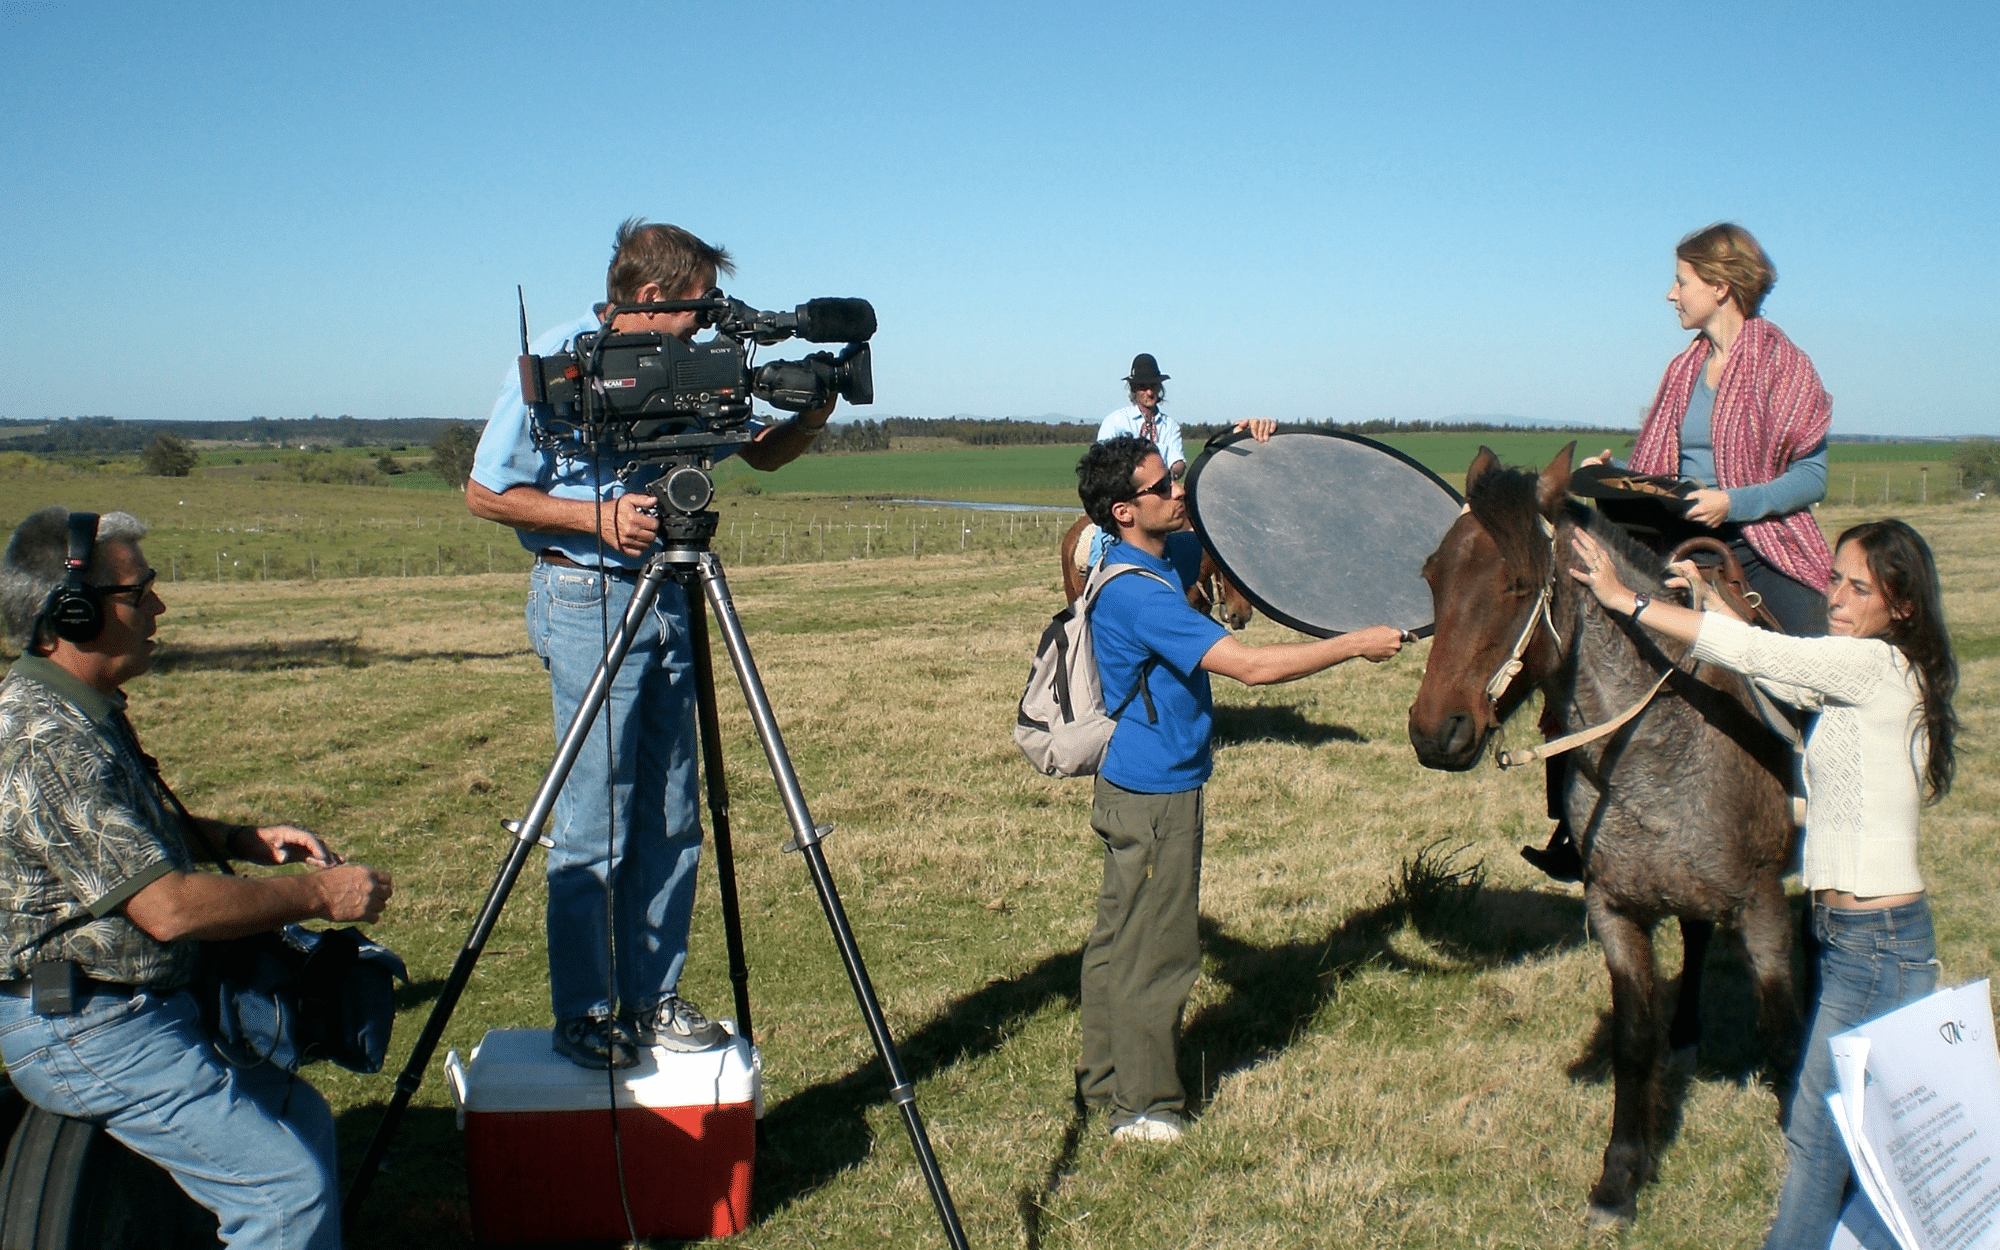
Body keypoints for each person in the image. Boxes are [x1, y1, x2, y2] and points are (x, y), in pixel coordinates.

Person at [467, 218, 839, 1069]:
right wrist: (595, 517)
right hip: (587, 592)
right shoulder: (559, 358)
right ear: (647, 296)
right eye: (698, 307)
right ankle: (587, 1012)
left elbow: (763, 455)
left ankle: (653, 997)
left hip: (673, 588)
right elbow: (486, 492)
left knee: (673, 812)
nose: (708, 324)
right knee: (598, 813)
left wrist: (813, 414)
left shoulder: (697, 365)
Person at [0, 506, 395, 1250]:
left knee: (302, 1124)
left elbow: (119, 831)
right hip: (88, 1027)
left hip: (133, 1007)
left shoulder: (78, 709)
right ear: (74, 613)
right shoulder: (46, 738)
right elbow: (170, 910)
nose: (158, 605)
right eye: (137, 591)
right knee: (284, 1195)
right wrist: (320, 893)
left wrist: (239, 840)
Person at [1568, 518, 1958, 1250]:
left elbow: (1758, 653)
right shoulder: (1862, 668)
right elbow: (1773, 671)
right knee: (1866, 1128)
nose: (1834, 598)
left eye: (1859, 589)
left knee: (1819, 1130)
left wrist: (1629, 601)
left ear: (1903, 608)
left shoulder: (1870, 667)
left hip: (1876, 947)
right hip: (1855, 937)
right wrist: (1710, 598)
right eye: (1834, 579)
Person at [1072, 436, 1405, 1142]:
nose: (1178, 492)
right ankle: (1144, 1106)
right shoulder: (1141, 596)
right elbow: (1251, 668)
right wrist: (1354, 643)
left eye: (1176, 478)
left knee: (1118, 938)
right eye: (1164, 487)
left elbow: (1233, 533)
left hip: (1130, 784)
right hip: (1157, 794)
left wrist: (1238, 444)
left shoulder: (1154, 560)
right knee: (1158, 950)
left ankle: (1103, 1081)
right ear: (1125, 511)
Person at [1527, 222, 1834, 881]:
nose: (1671, 294)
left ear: (1721, 286)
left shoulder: (1785, 365)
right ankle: (1574, 824)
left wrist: (1734, 502)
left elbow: (1812, 477)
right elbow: (1664, 471)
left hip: (1760, 545)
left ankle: (1821, 810)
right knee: (1576, 646)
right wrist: (1615, 477)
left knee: (1818, 657)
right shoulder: (1684, 368)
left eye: (1681, 281)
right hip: (1670, 541)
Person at [1083, 353, 1276, 570]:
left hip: (1161, 498)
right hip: (1126, 506)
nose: (1150, 392)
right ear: (1134, 390)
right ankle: (1095, 575)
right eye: (1144, 387)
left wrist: (1167, 473)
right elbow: (1103, 471)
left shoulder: (1170, 426)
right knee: (1102, 544)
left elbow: (1178, 462)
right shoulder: (1115, 421)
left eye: (1154, 386)